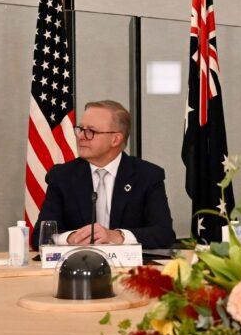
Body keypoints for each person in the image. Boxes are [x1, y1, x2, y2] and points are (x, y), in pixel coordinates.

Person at [35, 100, 175, 249]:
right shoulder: (62, 176)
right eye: (80, 129)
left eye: (91, 131)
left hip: (128, 269)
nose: (81, 136)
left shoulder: (147, 176)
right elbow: (41, 234)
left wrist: (118, 236)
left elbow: (164, 234)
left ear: (115, 139)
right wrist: (70, 237)